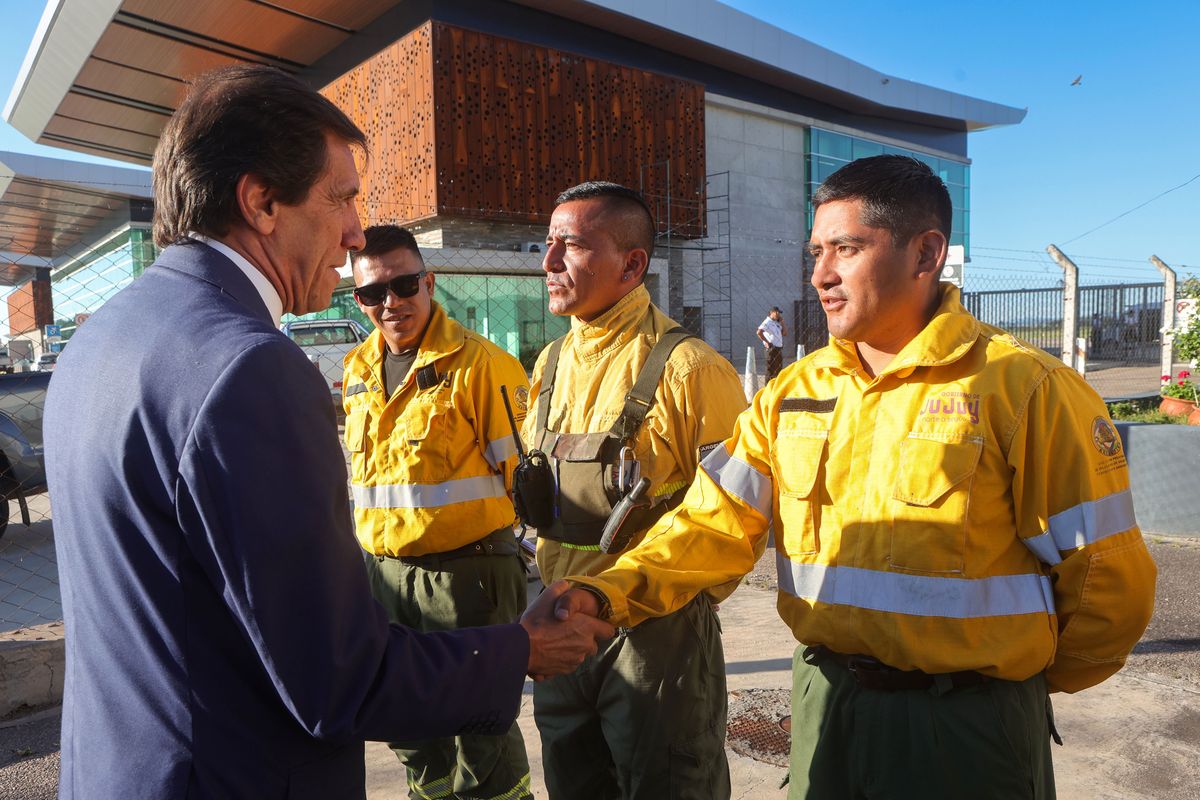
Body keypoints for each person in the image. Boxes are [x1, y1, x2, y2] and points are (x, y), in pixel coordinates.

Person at [42, 64, 612, 799]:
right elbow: (334, 680)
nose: (352, 233)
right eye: (341, 197)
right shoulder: (249, 368)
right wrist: (522, 649)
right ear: (262, 202)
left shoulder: (101, 340)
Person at [556, 156, 1157, 799]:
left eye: (847, 248)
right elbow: (713, 522)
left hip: (966, 730)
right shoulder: (793, 392)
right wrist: (606, 594)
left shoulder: (1025, 389)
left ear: (925, 253)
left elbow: (1105, 584)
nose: (821, 274)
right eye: (817, 250)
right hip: (825, 703)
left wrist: (1007, 687)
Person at [524, 181, 749, 799]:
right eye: (546, 244)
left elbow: (734, 522)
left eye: (569, 246)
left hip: (655, 640)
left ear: (632, 263)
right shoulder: (548, 366)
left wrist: (673, 620)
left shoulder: (692, 370)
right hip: (562, 625)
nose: (547, 263)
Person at [344, 224, 534, 800]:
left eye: (404, 285)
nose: (390, 303)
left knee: (481, 730)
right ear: (358, 299)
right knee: (409, 725)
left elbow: (524, 485)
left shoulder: (483, 367)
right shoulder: (356, 371)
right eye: (373, 293)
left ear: (429, 282)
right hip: (385, 578)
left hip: (469, 576)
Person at [757, 305, 788, 380]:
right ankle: (768, 387)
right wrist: (766, 342)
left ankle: (775, 387)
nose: (778, 315)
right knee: (770, 370)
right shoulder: (767, 322)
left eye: (779, 313)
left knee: (778, 370)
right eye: (777, 313)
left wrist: (782, 322)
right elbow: (759, 332)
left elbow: (785, 333)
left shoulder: (776, 323)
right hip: (772, 349)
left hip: (778, 349)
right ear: (771, 312)